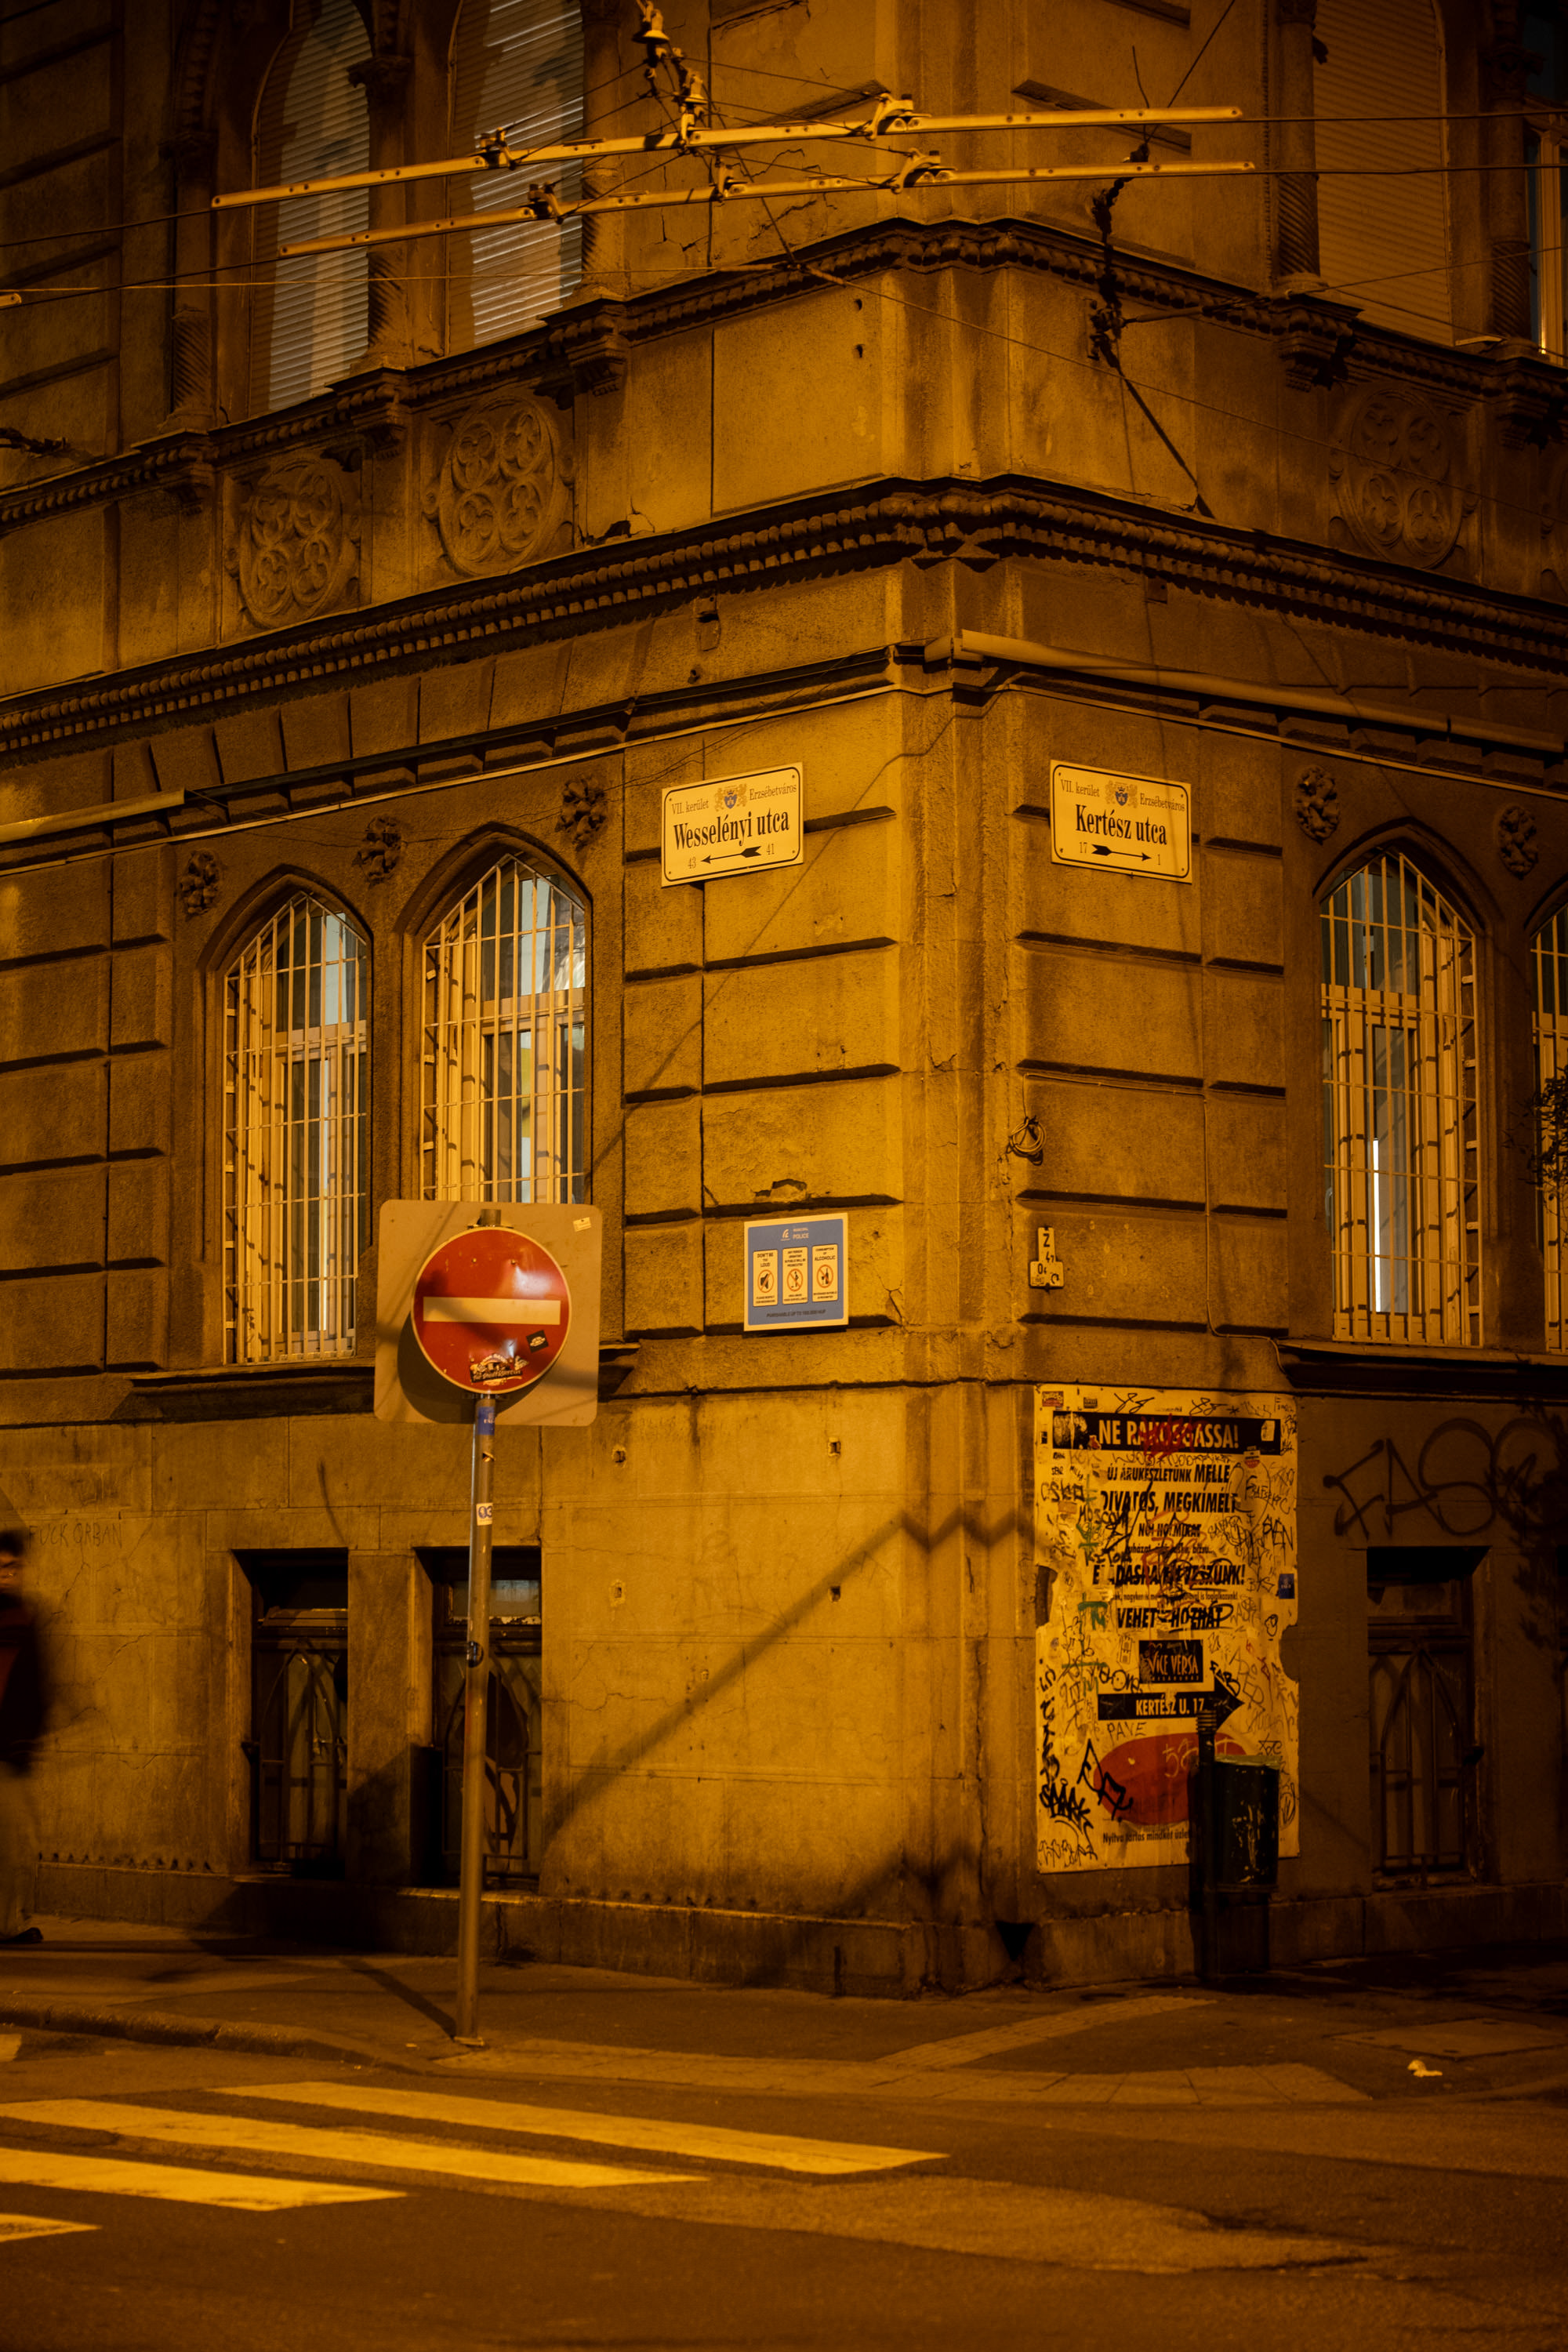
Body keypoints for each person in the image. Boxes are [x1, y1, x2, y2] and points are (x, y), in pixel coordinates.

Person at [0, 1530, 45, 1946]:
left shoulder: (27, 1618)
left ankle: (9, 1923)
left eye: (13, 1567)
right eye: (0, 1568)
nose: (7, 1575)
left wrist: (27, 1738)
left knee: (16, 1844)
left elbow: (35, 1683)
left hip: (9, 1750)